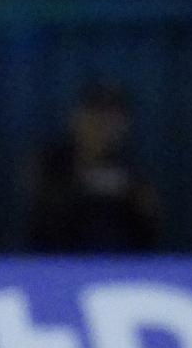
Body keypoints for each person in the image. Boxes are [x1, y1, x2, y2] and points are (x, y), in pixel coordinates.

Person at [25, 80, 161, 252]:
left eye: (112, 118)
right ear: (77, 117)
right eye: (95, 115)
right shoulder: (49, 161)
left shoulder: (131, 171)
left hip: (117, 267)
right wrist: (87, 183)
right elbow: (41, 211)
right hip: (55, 264)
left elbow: (149, 224)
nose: (102, 125)